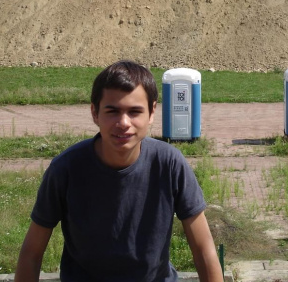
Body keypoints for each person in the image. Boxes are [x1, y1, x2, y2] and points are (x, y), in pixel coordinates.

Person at [14, 60, 223, 282]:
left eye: (134, 112)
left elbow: (203, 250)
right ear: (95, 113)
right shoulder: (66, 168)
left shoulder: (169, 164)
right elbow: (31, 254)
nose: (123, 122)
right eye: (112, 111)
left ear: (151, 113)